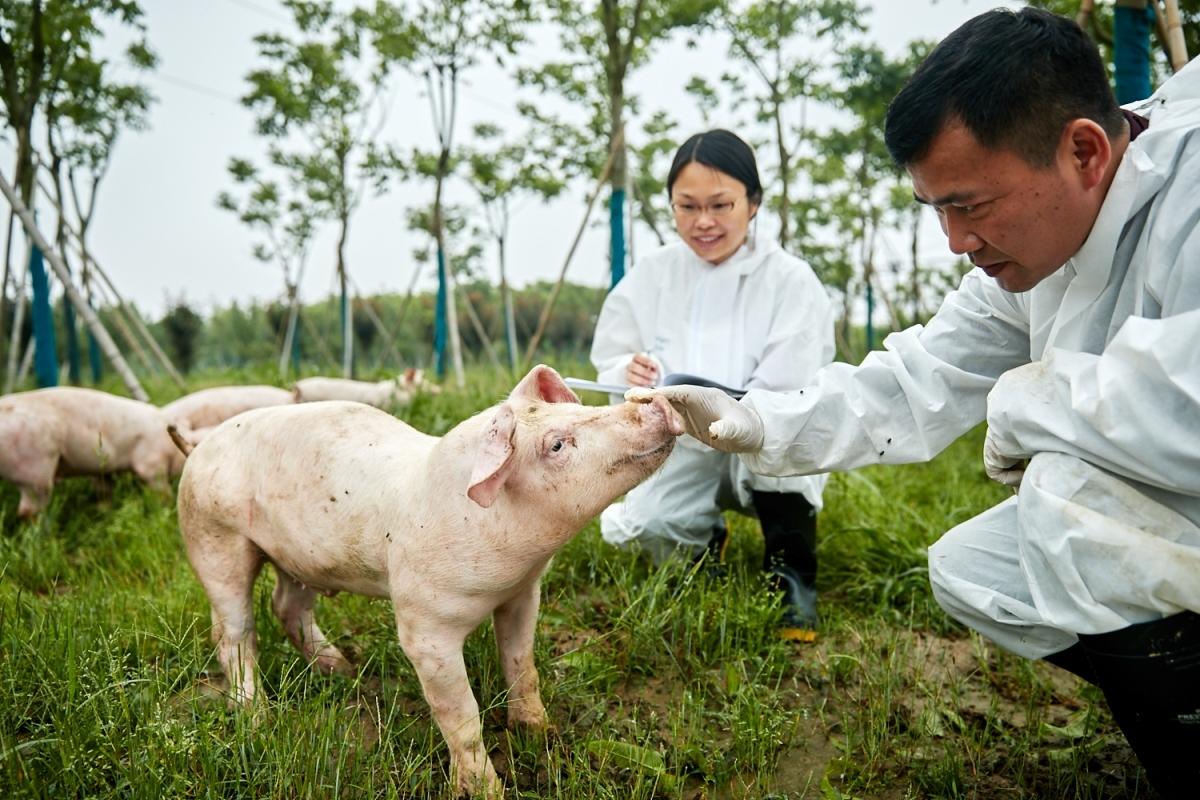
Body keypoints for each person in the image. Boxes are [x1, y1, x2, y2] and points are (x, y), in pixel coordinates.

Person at [628, 9, 1200, 797]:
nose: (956, 241)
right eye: (938, 210)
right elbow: (912, 380)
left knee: (1068, 500)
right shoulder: (1031, 259)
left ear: (1084, 152)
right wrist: (756, 418)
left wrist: (1021, 407)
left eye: (970, 204)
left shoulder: (1190, 199)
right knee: (977, 568)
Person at [591, 129, 835, 638]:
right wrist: (626, 372)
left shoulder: (790, 280)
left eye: (721, 204)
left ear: (753, 203)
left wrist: (741, 407)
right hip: (680, 437)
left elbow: (793, 381)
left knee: (787, 447)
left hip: (764, 433)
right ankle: (702, 549)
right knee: (651, 524)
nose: (704, 222)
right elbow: (610, 357)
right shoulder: (653, 274)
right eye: (687, 206)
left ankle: (790, 573)